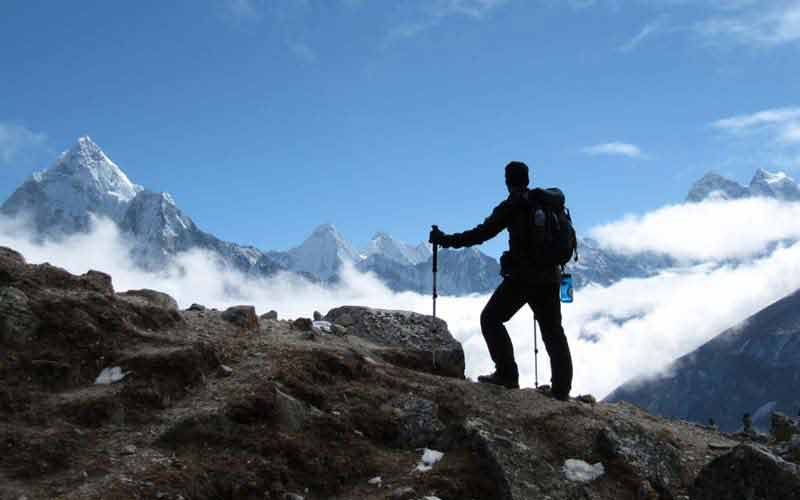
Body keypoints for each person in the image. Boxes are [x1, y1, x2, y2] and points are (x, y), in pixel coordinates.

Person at [429, 161, 573, 400]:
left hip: (523, 278)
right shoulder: (547, 204)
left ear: (507, 181)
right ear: (527, 178)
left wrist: (445, 240)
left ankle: (507, 374)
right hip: (550, 277)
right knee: (553, 332)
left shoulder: (512, 206)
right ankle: (561, 389)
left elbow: (480, 234)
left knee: (491, 319)